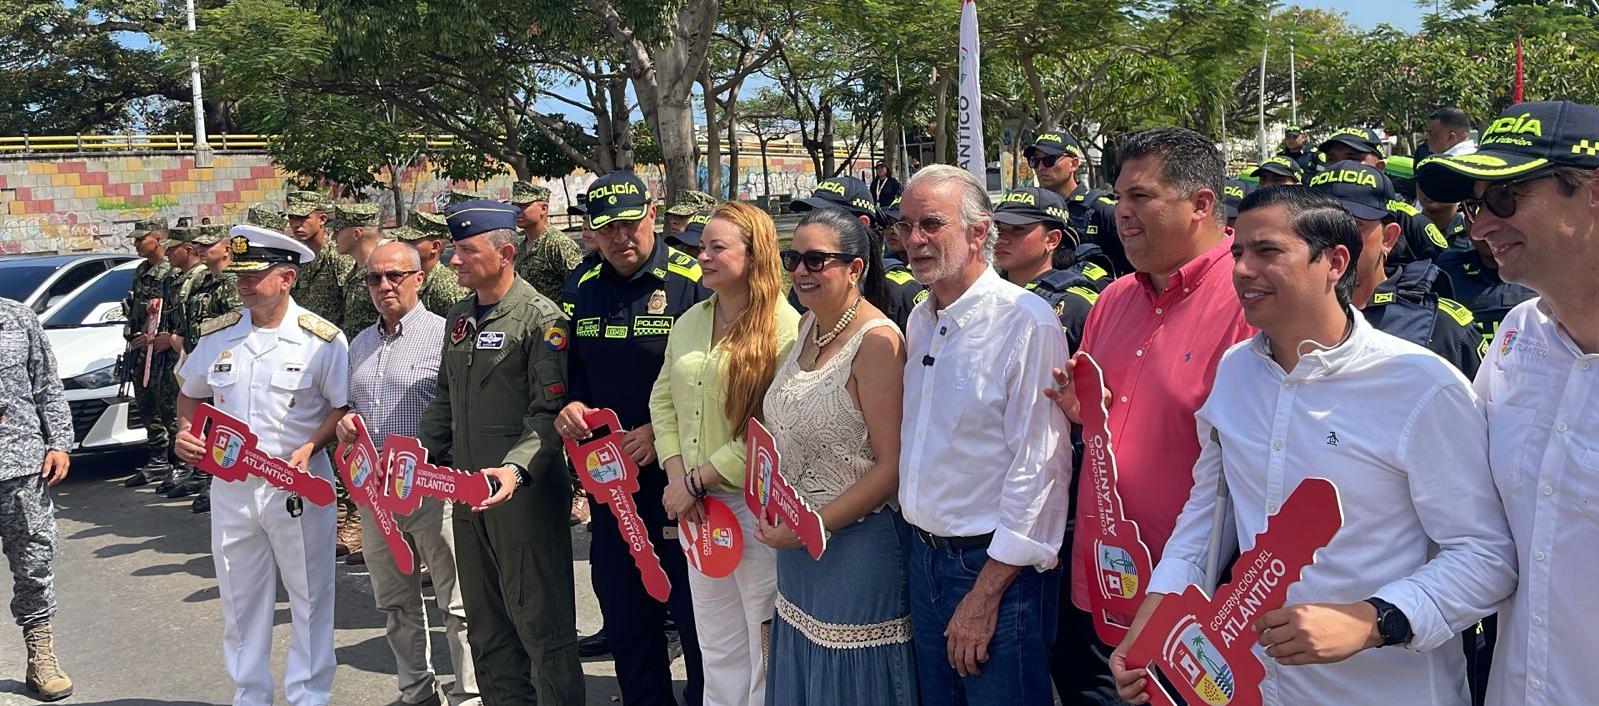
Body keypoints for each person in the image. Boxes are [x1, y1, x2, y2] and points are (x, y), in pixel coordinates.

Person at [1109, 185, 1517, 705]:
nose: (1242, 270)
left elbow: (1487, 556)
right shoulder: (1235, 372)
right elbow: (1208, 517)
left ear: (1334, 261)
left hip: (1391, 690)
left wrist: (1375, 619)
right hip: (1256, 686)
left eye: (1268, 251)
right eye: (1238, 252)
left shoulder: (1420, 386)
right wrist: (1156, 617)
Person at [1047, 127, 1255, 705]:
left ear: (1202, 204)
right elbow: (1104, 427)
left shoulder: (1252, 300)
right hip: (1099, 591)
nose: (1121, 212)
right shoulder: (1112, 300)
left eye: (1141, 196)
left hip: (1197, 608)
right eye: (1118, 196)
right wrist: (1081, 414)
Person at [1417, 98, 1599, 705]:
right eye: (1472, 205)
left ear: (1593, 192)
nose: (1477, 227)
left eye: (1503, 198)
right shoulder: (1518, 338)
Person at [893, 165, 1068, 705]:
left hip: (992, 572)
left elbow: (1040, 472)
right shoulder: (920, 320)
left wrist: (984, 595)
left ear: (977, 232)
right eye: (904, 225)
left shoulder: (1026, 323)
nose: (913, 240)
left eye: (931, 224)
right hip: (922, 560)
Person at [171, 225, 348, 706]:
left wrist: (312, 444)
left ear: (287, 277)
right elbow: (191, 392)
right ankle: (250, 694)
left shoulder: (322, 340)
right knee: (240, 597)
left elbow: (341, 407)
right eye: (240, 275)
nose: (244, 284)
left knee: (310, 596)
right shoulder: (219, 337)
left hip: (297, 485)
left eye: (255, 275)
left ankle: (308, 695)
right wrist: (184, 434)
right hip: (232, 486)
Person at [416, 199, 584, 706]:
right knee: (486, 625)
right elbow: (446, 397)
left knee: (542, 625)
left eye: (467, 251)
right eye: (454, 249)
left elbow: (546, 412)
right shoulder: (460, 317)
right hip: (468, 496)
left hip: (522, 497)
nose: (453, 261)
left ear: (505, 252)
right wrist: (417, 454)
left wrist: (513, 470)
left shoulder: (541, 319)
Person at [556, 170, 709, 706]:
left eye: (630, 224)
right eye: (607, 228)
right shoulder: (582, 284)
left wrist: (658, 432)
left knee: (694, 613)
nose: (621, 239)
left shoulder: (692, 279)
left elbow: (719, 379)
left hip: (682, 478)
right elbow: (570, 365)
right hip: (608, 482)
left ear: (652, 214)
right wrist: (571, 401)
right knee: (625, 608)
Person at [758, 207, 915, 705]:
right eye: (793, 258)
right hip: (798, 550)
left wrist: (811, 526)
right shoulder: (807, 327)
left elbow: (890, 468)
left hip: (856, 549)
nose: (801, 271)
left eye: (816, 260)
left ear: (855, 268)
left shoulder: (878, 344)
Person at [648, 200, 800, 706]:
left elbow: (770, 421)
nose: (702, 258)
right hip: (696, 506)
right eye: (699, 247)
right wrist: (678, 478)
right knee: (715, 639)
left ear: (753, 254)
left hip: (752, 509)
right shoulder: (691, 319)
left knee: (764, 639)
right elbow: (663, 400)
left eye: (717, 248)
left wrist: (697, 480)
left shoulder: (785, 325)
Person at [334, 240, 479, 706]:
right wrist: (344, 425)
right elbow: (349, 407)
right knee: (394, 601)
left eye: (394, 276)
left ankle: (470, 695)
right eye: (375, 278)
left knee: (456, 601)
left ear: (419, 277)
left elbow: (462, 412)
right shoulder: (359, 342)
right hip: (375, 494)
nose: (384, 286)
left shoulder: (445, 335)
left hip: (431, 487)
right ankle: (416, 690)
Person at [1310, 161, 1482, 377]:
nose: (1332, 241)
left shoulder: (1439, 326)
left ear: (1388, 238)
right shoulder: (1281, 318)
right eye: (1315, 227)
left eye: (1351, 226)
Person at [0, 296, 74, 701]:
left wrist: (59, 441)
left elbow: (47, 384)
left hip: (21, 467)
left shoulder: (16, 317)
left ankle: (40, 656)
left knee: (34, 564)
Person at [167, 223, 241, 511]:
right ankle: (209, 478)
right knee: (204, 424)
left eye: (208, 244)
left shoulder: (233, 282)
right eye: (198, 244)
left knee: (222, 426)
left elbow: (236, 320)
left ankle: (216, 480)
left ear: (226, 248)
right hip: (201, 362)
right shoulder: (205, 282)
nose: (200, 248)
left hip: (225, 364)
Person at [790, 175, 927, 329]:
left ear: (862, 224)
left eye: (826, 217)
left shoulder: (900, 291)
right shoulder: (804, 280)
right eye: (811, 214)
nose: (813, 223)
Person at [992, 186, 1100, 351]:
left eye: (1017, 229)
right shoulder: (981, 292)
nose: (1001, 239)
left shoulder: (1077, 307)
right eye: (998, 229)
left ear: (1052, 239)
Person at [1318, 128, 1449, 264]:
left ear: (1379, 167)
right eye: (1331, 159)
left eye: (1352, 158)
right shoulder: (1309, 212)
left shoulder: (1410, 222)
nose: (1340, 165)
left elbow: (1446, 270)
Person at [120, 218, 179, 488]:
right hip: (141, 350)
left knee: (170, 408)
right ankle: (158, 460)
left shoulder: (171, 272)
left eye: (141, 238)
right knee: (147, 405)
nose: (136, 243)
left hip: (164, 351)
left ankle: (181, 463)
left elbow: (172, 313)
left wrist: (156, 337)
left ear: (158, 239)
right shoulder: (142, 270)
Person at [151, 224, 209, 496]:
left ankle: (202, 473)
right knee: (176, 411)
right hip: (182, 356)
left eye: (173, 249)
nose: (168, 254)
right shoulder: (179, 278)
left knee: (202, 417)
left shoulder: (202, 278)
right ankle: (192, 470)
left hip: (194, 353)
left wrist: (176, 340)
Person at [1025, 130, 1124, 276]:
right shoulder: (1031, 211)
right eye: (1035, 161)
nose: (1040, 168)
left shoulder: (1101, 210)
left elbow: (1132, 273)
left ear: (1074, 164)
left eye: (1049, 160)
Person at [286, 190, 353, 330]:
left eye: (303, 217)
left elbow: (351, 307)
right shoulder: (292, 257)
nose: (296, 224)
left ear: (321, 219)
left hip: (333, 341)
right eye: (292, 217)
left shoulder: (338, 255)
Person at [509, 180, 585, 302]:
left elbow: (580, 285)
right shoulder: (521, 247)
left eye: (523, 206)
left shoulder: (558, 244)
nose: (517, 211)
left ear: (543, 209)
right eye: (515, 206)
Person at [393, 209, 470, 318]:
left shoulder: (448, 289)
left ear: (435, 247)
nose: (404, 244)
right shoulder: (408, 278)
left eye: (411, 240)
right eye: (403, 239)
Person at [331, 203, 382, 342]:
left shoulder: (381, 275)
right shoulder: (354, 273)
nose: (332, 237)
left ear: (356, 234)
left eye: (338, 230)